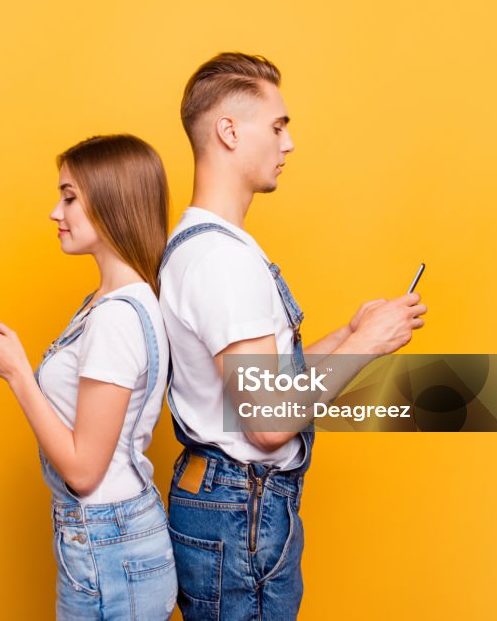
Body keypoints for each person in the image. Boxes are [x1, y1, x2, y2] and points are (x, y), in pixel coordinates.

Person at [158, 52, 428, 619]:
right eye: (278, 126)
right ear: (228, 131)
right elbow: (267, 424)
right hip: (243, 513)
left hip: (227, 506)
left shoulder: (205, 245)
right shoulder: (221, 262)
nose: (289, 144)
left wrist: (347, 333)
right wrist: (367, 344)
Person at [0, 134, 178, 620]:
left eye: (69, 197)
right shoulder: (119, 300)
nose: (54, 212)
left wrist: (17, 372)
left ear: (112, 202)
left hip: (108, 541)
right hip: (113, 538)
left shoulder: (116, 317)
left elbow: (83, 471)